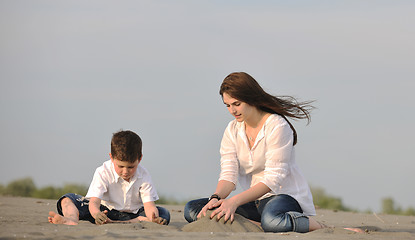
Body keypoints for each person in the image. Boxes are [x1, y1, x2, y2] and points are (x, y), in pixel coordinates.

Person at [184, 72, 324, 233]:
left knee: (272, 221)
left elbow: (273, 179)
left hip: (284, 197)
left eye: (236, 104)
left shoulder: (277, 126)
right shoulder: (232, 130)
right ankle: (257, 225)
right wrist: (215, 198)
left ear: (251, 98)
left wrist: (234, 202)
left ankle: (319, 226)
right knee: (193, 209)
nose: (232, 110)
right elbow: (228, 175)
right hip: (254, 200)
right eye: (227, 105)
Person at [48, 130, 170, 226]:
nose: (125, 172)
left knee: (164, 214)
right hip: (105, 210)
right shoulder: (103, 171)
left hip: (133, 214)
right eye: (120, 166)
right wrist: (97, 214)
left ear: (140, 159)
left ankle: (119, 222)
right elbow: (94, 202)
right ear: (111, 158)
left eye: (131, 167)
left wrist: (153, 217)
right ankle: (71, 220)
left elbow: (149, 205)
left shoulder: (144, 175)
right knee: (67, 199)